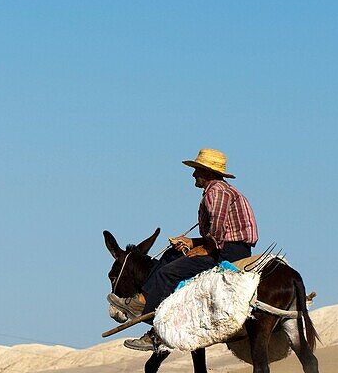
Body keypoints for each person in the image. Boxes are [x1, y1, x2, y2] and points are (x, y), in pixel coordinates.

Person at [109, 148, 258, 352]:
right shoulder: (222, 190)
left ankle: (154, 329)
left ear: (207, 172)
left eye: (197, 170)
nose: (193, 175)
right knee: (171, 254)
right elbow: (221, 231)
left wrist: (205, 248)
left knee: (169, 273)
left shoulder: (216, 191)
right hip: (227, 246)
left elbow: (217, 227)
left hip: (229, 252)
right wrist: (190, 242)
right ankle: (140, 300)